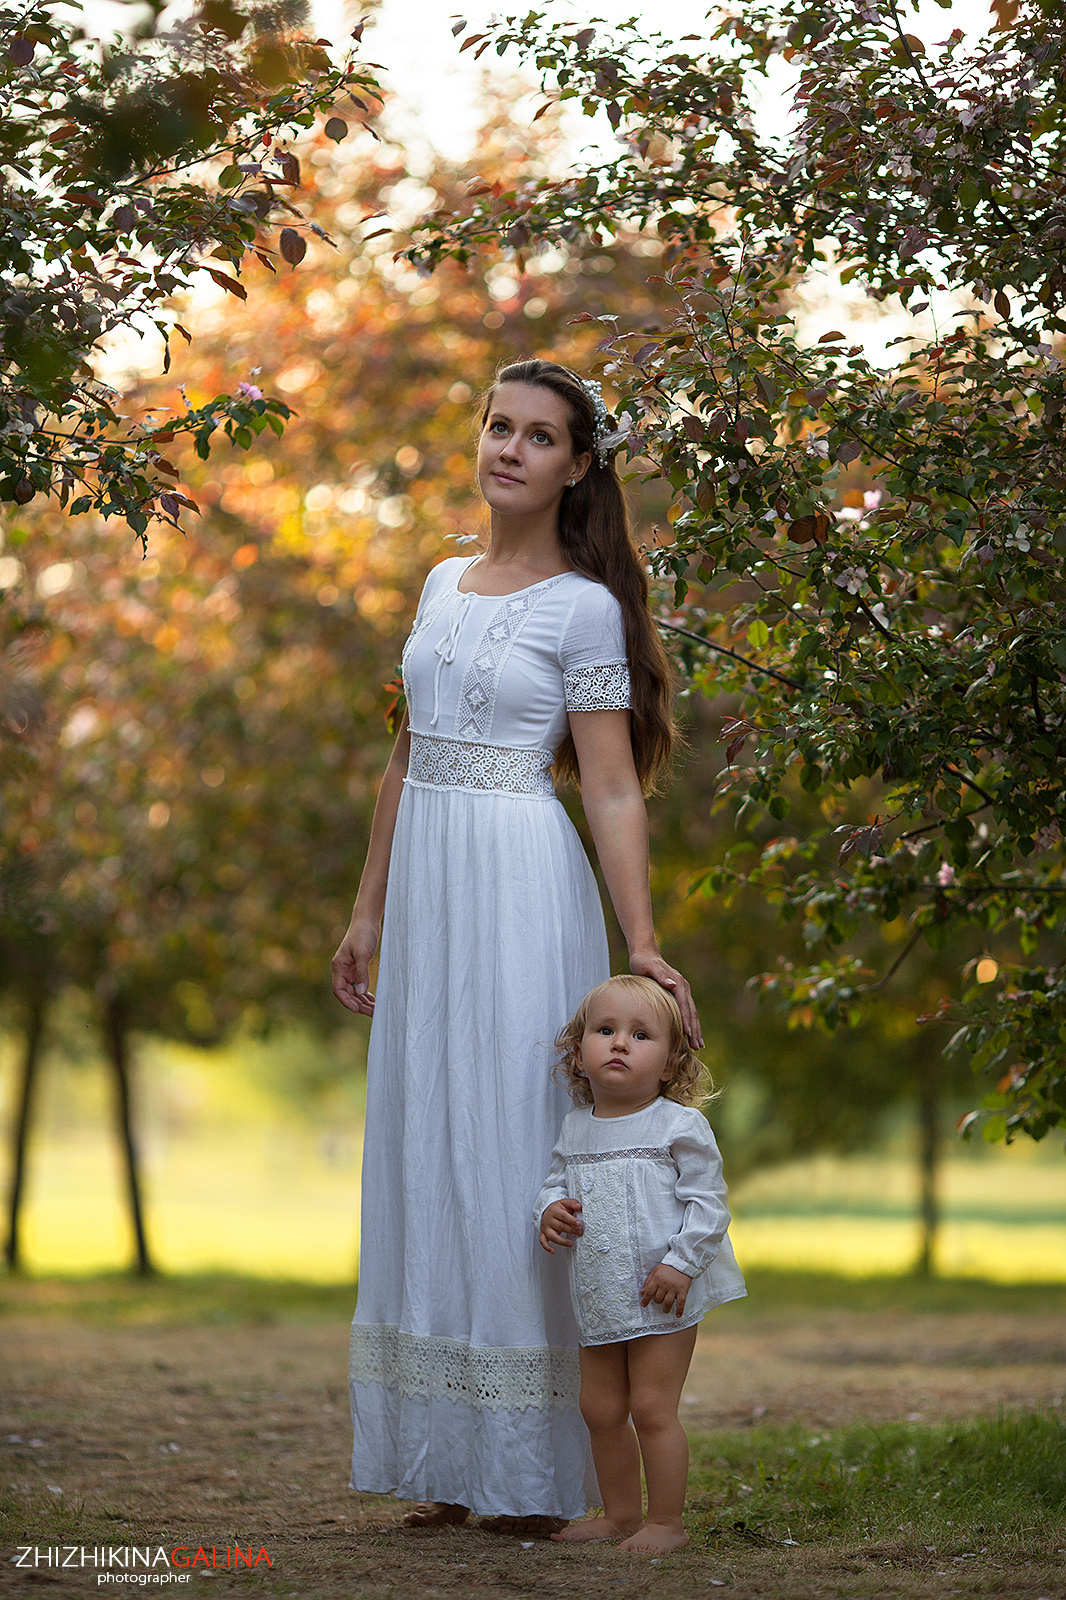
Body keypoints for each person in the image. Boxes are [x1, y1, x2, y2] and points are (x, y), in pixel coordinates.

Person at [331, 359, 702, 1536]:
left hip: (520, 883)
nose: (509, 448)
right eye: (499, 426)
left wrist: (639, 943)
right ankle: (447, 1457)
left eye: (540, 437)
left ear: (576, 467)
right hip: (429, 888)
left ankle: (537, 1474)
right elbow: (403, 757)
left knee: (509, 1146)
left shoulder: (584, 607)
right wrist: (367, 906)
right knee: (425, 1141)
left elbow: (608, 785)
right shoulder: (439, 583)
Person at [536, 975, 745, 1553]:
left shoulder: (678, 1125)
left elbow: (709, 1205)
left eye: (640, 1034)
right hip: (600, 1289)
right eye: (605, 1031)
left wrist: (681, 1264)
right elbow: (556, 1181)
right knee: (599, 1407)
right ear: (577, 1052)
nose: (620, 1043)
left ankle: (666, 1524)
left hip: (663, 1293)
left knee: (652, 1406)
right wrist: (550, 1209)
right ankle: (621, 1515)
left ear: (672, 1062)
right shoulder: (577, 1127)